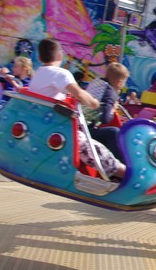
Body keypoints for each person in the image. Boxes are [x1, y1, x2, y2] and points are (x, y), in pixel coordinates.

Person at [28, 38, 126, 180]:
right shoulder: (60, 73)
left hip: (41, 125)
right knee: (97, 151)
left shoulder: (37, 74)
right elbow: (79, 93)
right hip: (60, 128)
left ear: (39, 57)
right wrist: (94, 103)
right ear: (60, 56)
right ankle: (124, 176)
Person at [84, 62, 130, 161]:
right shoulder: (110, 92)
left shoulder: (97, 82)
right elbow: (105, 119)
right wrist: (113, 109)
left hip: (79, 125)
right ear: (119, 82)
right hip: (86, 130)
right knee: (114, 132)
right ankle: (119, 164)